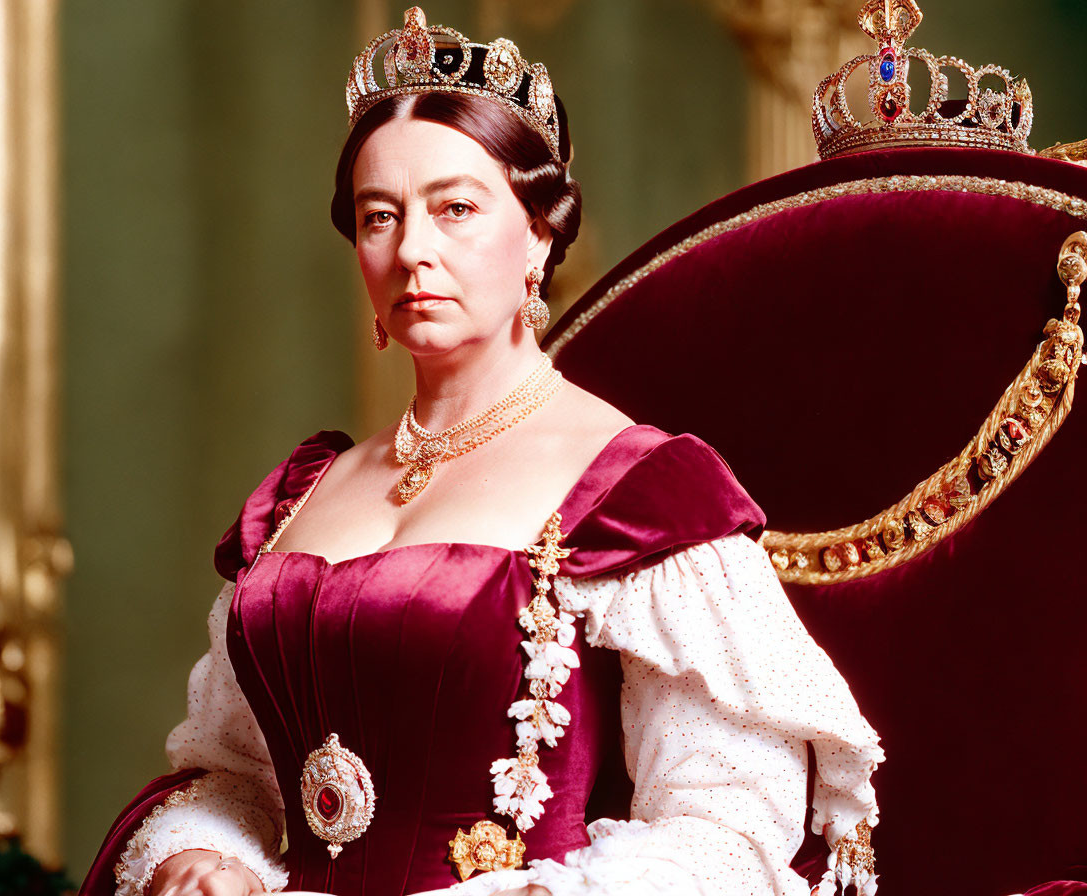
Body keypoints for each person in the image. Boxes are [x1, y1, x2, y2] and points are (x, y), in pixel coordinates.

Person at [80, 8, 883, 896]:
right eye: (379, 216)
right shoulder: (303, 492)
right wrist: (204, 857)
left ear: (539, 232)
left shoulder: (636, 490)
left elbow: (727, 824)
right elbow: (237, 777)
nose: (413, 250)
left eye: (455, 208)